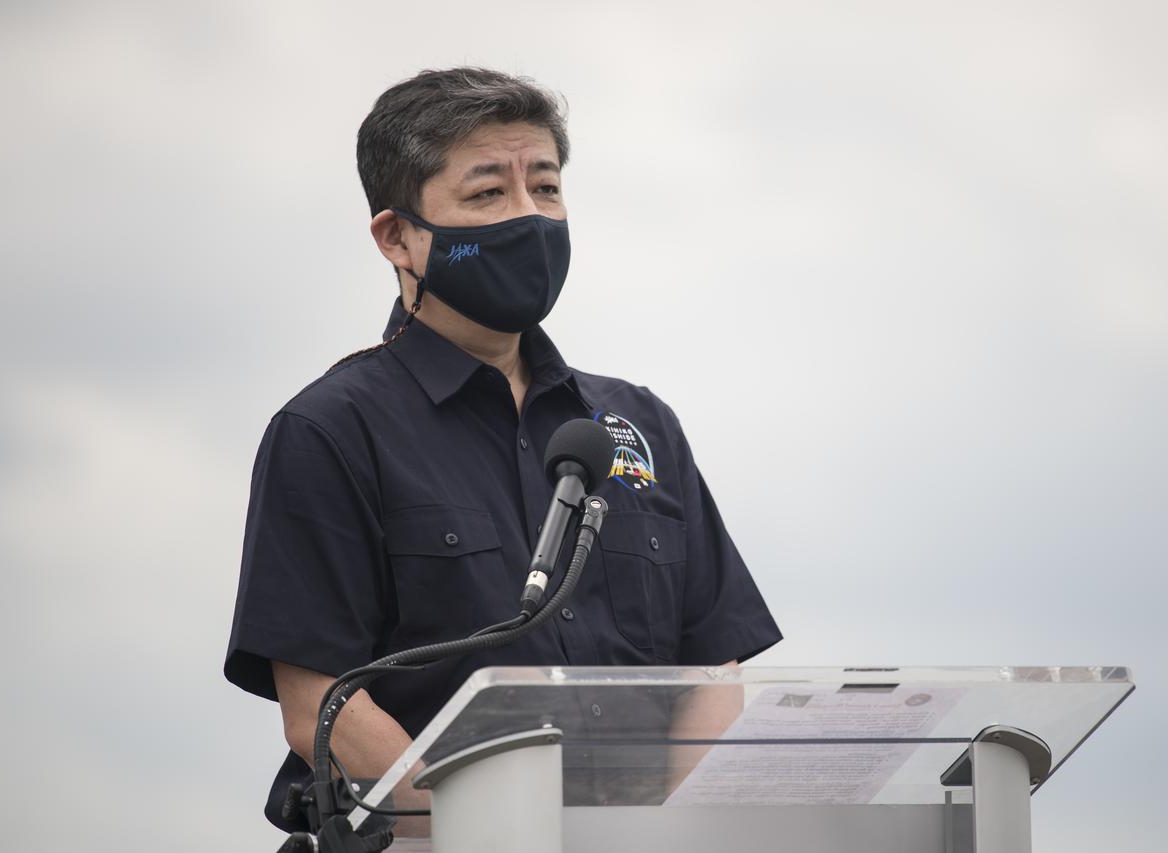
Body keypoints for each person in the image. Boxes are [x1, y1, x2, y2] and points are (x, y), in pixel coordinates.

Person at [224, 67, 782, 833]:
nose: (529, 217)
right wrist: (494, 837)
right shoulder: (330, 430)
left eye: (545, 188)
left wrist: (662, 836)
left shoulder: (634, 423)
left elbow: (713, 669)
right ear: (398, 237)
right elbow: (320, 703)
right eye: (487, 193)